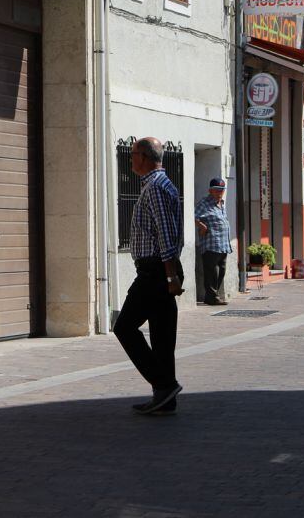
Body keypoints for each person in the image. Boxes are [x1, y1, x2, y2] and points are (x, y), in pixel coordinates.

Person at [113, 137, 185, 416]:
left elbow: (165, 235)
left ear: (144, 156)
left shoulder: (155, 188)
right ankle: (165, 398)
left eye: (132, 155)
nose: (130, 160)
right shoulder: (160, 185)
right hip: (161, 269)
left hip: (156, 271)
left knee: (124, 327)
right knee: (162, 337)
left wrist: (169, 277)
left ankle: (165, 385)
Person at [195, 177, 232, 306]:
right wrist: (202, 226)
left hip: (223, 244)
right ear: (210, 190)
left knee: (221, 271)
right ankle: (211, 297)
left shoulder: (221, 203)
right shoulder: (204, 203)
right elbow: (193, 216)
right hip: (211, 243)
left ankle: (213, 296)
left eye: (222, 190)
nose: (220, 192)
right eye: (217, 190)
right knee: (212, 272)